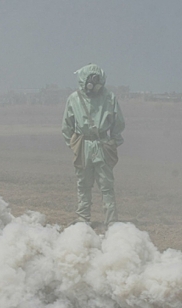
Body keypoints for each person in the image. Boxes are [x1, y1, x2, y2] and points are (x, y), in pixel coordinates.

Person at [62, 63, 125, 228]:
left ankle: (111, 221)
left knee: (106, 185)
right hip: (84, 146)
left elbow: (118, 122)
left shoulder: (109, 97)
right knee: (83, 183)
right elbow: (67, 126)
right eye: (90, 80)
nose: (93, 84)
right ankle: (83, 218)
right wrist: (74, 145)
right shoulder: (74, 99)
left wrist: (113, 141)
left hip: (102, 144)